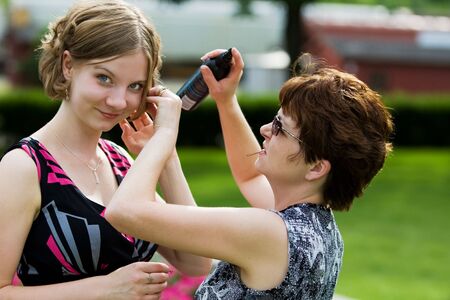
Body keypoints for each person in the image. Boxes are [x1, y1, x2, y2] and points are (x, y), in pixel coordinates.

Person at [105, 48, 394, 299]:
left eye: (281, 129)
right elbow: (249, 175)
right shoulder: (316, 228)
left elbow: (125, 211)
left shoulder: (269, 233)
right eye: (275, 120)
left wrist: (166, 133)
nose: (266, 130)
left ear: (317, 167)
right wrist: (225, 98)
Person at [0, 0, 211, 299]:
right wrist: (107, 288)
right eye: (104, 78)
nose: (118, 101)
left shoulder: (121, 161)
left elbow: (197, 260)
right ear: (68, 65)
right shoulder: (24, 167)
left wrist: (164, 151)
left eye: (135, 86)